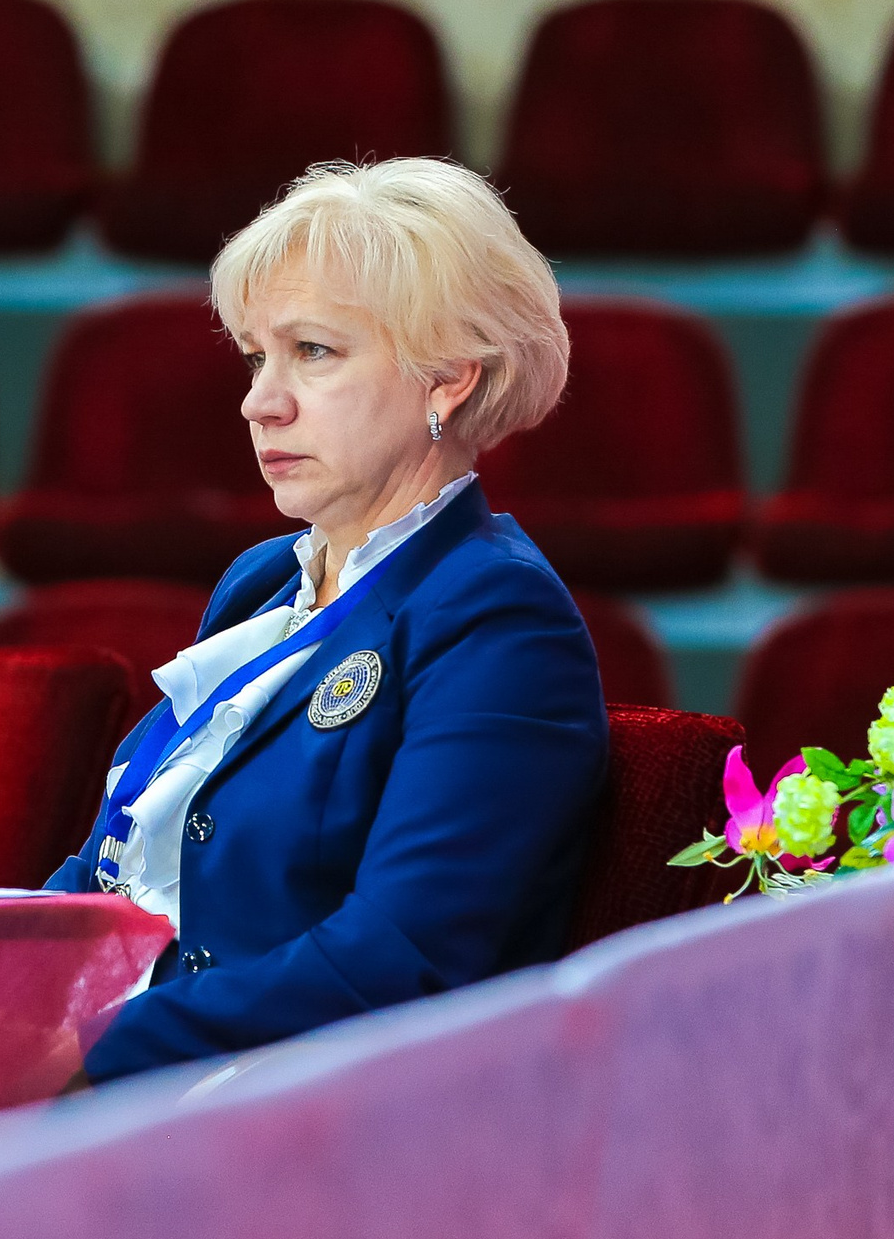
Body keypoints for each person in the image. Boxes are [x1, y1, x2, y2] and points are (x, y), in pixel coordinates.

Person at [48, 156, 609, 1082]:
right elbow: (108, 872)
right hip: (139, 1094)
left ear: (449, 379)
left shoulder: (499, 617)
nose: (259, 399)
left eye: (313, 351)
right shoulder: (263, 581)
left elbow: (400, 958)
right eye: (256, 356)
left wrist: (83, 1053)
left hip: (299, 1136)